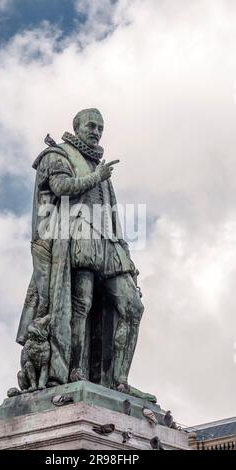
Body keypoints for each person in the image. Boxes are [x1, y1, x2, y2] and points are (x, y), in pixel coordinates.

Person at [17, 108, 144, 391]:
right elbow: (60, 187)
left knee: (132, 307)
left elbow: (112, 216)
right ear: (76, 127)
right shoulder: (57, 155)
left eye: (101, 127)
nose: (96, 131)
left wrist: (127, 256)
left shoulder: (101, 169)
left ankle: (119, 381)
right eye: (91, 125)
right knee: (81, 304)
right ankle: (74, 372)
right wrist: (96, 177)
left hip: (108, 241)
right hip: (77, 235)